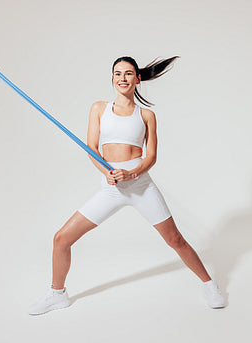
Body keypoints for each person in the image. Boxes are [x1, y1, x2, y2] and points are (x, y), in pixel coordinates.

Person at [28, 56, 226, 315]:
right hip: (110, 188)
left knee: (175, 239)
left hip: (141, 186)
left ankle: (210, 285)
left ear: (137, 78)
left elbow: (151, 156)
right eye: (118, 73)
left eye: (128, 73)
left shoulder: (146, 115)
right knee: (61, 238)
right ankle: (57, 294)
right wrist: (106, 173)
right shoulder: (99, 108)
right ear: (112, 78)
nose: (122, 78)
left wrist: (132, 174)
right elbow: (92, 149)